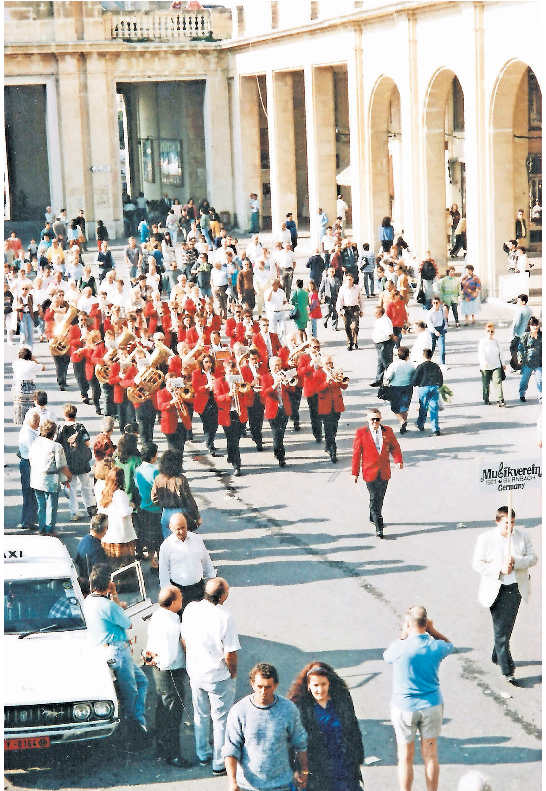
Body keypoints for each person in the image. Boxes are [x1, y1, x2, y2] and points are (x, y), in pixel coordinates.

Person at [384, 605, 453, 791]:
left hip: (404, 707)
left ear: (407, 623)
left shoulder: (399, 647)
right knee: (430, 755)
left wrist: (402, 635)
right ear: (425, 623)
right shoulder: (435, 647)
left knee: (405, 757)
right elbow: (449, 645)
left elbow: (387, 656)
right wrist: (432, 630)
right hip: (431, 706)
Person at [181, 577, 240, 777]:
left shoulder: (190, 609)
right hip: (218, 675)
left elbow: (184, 640)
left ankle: (203, 753)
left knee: (201, 714)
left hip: (196, 673)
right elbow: (230, 653)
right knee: (221, 719)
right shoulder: (225, 617)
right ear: (222, 596)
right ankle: (219, 762)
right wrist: (232, 672)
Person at [472, 506, 538, 684]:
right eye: (507, 523)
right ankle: (508, 669)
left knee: (506, 628)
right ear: (498, 522)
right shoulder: (485, 539)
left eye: (513, 523)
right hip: (496, 589)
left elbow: (533, 558)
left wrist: (516, 561)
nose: (510, 527)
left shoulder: (523, 537)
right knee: (501, 631)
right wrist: (499, 569)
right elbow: (477, 564)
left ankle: (497, 655)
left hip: (515, 588)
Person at [83, 564, 148, 738]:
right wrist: (115, 596)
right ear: (108, 584)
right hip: (119, 651)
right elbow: (127, 623)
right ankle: (135, 728)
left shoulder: (88, 602)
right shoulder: (109, 606)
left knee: (142, 681)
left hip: (106, 649)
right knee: (132, 692)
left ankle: (138, 721)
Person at [223, 662, 309, 791]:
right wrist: (232, 782)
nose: (263, 692)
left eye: (268, 687)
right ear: (252, 684)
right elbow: (231, 748)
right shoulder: (239, 711)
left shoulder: (288, 709)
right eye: (259, 686)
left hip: (281, 785)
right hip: (248, 786)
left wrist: (304, 771)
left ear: (275, 685)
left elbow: (300, 742)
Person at [287, 661, 364, 791]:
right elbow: (292, 739)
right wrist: (295, 768)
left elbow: (353, 730)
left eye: (323, 684)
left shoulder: (342, 700)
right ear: (308, 686)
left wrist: (358, 759)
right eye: (315, 685)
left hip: (342, 765)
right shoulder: (300, 706)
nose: (320, 689)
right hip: (314, 767)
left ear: (329, 683)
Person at [144, 585, 196, 768]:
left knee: (162, 709)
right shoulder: (173, 625)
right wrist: (161, 660)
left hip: (158, 671)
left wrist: (150, 657)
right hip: (170, 672)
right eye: (180, 599)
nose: (182, 601)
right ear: (173, 602)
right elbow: (169, 656)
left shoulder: (158, 616)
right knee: (173, 714)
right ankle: (173, 754)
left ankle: (160, 747)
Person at [352, 408, 403, 538]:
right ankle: (379, 527)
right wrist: (355, 473)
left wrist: (398, 461)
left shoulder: (388, 431)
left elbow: (395, 447)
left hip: (384, 471)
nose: (375, 422)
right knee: (375, 497)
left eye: (377, 419)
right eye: (372, 419)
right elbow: (356, 454)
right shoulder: (361, 433)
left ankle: (372, 514)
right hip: (370, 471)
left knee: (379, 498)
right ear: (367, 420)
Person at [158, 512, 216, 607]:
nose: (181, 531)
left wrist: (212, 577)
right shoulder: (166, 546)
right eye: (178, 529)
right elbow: (163, 571)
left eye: (183, 527)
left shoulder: (196, 539)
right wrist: (167, 592)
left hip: (199, 588)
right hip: (180, 591)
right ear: (171, 528)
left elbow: (206, 560)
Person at [29, 420, 72, 536]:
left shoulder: (35, 442)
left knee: (41, 505)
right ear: (54, 433)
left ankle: (42, 527)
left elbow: (30, 459)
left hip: (36, 478)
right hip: (50, 479)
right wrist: (69, 475)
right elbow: (61, 465)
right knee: (51, 506)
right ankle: (50, 530)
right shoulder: (56, 446)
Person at [151, 448, 202, 538]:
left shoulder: (158, 478)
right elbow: (189, 499)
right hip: (180, 512)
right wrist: (197, 516)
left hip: (166, 513)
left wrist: (164, 503)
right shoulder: (180, 479)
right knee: (182, 540)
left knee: (168, 541)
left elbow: (154, 498)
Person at [57, 403, 96, 521]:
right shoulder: (80, 427)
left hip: (68, 462)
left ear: (65, 414)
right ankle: (91, 508)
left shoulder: (61, 428)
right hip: (82, 461)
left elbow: (58, 444)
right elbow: (87, 443)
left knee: (72, 487)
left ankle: (74, 512)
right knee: (86, 485)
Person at [100, 467, 138, 563]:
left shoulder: (105, 492)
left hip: (109, 533)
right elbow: (125, 512)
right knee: (124, 563)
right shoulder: (120, 494)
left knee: (112, 562)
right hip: (121, 534)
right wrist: (132, 506)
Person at [134, 442, 162, 569]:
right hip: (155, 508)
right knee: (158, 538)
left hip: (143, 507)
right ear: (153, 456)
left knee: (149, 537)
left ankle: (152, 560)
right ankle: (160, 562)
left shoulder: (137, 470)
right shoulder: (155, 471)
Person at [411, 349, 444, 436]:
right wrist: (439, 385)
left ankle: (421, 424)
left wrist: (416, 384)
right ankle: (435, 429)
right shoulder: (436, 366)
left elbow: (414, 380)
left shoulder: (420, 366)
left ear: (423, 355)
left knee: (423, 407)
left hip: (423, 388)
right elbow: (440, 378)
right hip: (434, 387)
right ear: (431, 355)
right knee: (434, 408)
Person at [384, 346, 415, 434]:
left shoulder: (394, 365)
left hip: (395, 386)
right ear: (408, 355)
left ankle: (402, 421)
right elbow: (414, 375)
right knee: (405, 406)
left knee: (395, 407)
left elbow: (388, 376)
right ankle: (404, 424)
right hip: (408, 386)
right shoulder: (411, 365)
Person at [12, 347, 45, 426]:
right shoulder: (31, 364)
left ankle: (19, 420)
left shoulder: (15, 363)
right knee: (30, 405)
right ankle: (30, 421)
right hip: (28, 385)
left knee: (19, 405)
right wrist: (34, 360)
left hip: (17, 386)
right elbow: (43, 368)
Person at [18, 411, 40, 530]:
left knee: (29, 494)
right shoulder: (28, 434)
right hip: (28, 464)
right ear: (35, 422)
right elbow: (34, 451)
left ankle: (28, 519)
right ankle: (27, 520)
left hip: (26, 462)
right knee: (30, 494)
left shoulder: (28, 430)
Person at [75, 513, 109, 582]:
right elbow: (100, 575)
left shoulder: (83, 540)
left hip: (83, 580)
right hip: (92, 585)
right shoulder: (98, 550)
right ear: (105, 529)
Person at [478, 323, 506, 406]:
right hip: (485, 367)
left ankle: (500, 399)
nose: (490, 333)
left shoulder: (497, 341)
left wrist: (503, 363)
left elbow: (501, 353)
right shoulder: (483, 342)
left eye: (492, 331)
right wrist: (483, 361)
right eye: (488, 331)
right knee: (486, 384)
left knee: (497, 382)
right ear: (485, 331)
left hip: (496, 365)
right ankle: (486, 398)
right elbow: (481, 353)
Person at [336, 272, 365, 351]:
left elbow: (361, 300)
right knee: (347, 327)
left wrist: (362, 310)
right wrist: (339, 310)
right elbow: (340, 300)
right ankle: (350, 343)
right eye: (347, 279)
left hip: (355, 308)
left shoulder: (357, 288)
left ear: (353, 280)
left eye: (350, 279)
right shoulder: (343, 288)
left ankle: (355, 341)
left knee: (355, 326)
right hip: (346, 309)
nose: (348, 281)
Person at [518, 316, 542, 402]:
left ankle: (541, 395)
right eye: (533, 325)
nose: (535, 327)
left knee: (540, 380)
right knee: (524, 379)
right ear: (529, 326)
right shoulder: (526, 336)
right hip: (527, 362)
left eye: (536, 325)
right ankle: (522, 394)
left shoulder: (541, 336)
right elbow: (520, 348)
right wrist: (520, 358)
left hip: (539, 362)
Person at [370, 305, 394, 386]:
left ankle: (393, 379)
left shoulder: (386, 320)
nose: (374, 315)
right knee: (380, 363)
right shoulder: (378, 319)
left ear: (381, 313)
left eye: (376, 313)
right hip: (378, 344)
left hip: (384, 344)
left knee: (386, 363)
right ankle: (378, 380)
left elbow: (389, 333)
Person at [426, 298, 448, 366]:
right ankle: (428, 362)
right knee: (432, 348)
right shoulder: (430, 312)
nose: (435, 304)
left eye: (437, 303)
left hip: (441, 329)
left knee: (442, 347)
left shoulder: (441, 311)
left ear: (439, 303)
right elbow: (429, 324)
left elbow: (444, 319)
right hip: (432, 331)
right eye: (434, 303)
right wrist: (435, 331)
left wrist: (445, 328)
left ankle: (442, 363)